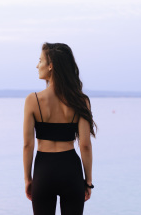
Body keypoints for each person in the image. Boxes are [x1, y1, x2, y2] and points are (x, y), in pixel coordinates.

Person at [23, 43, 97, 215]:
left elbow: (28, 145)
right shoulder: (80, 101)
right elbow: (85, 145)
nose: (37, 65)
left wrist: (28, 179)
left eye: (40, 60)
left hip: (44, 170)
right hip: (71, 170)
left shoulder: (32, 100)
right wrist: (88, 181)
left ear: (50, 66)